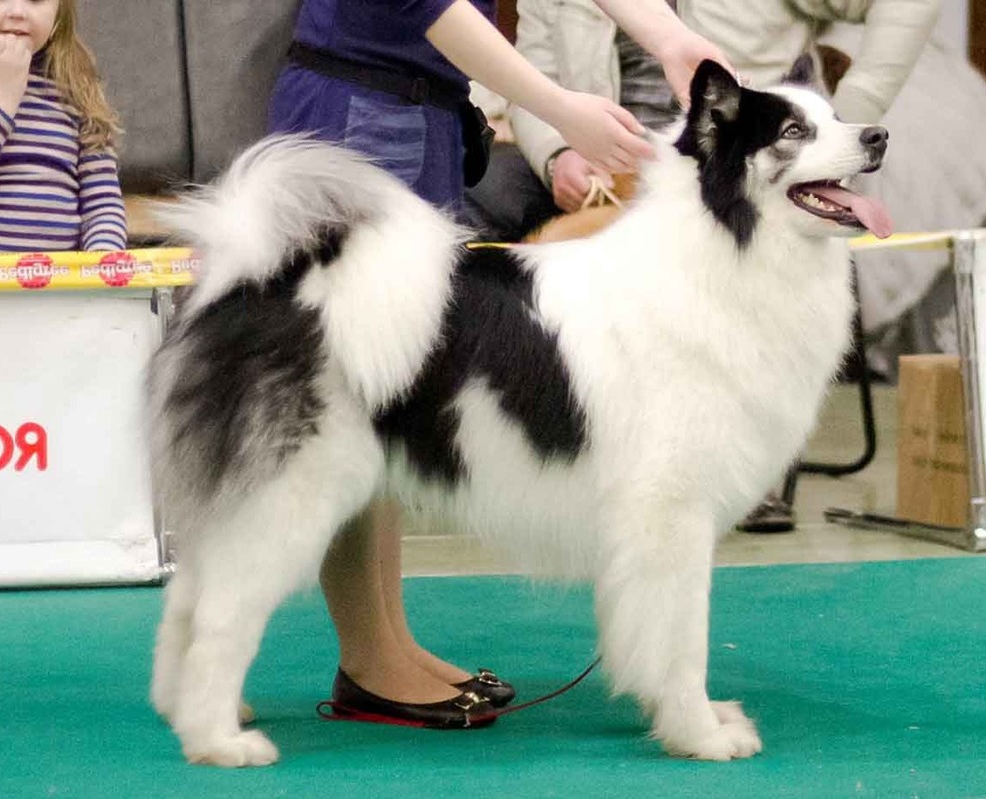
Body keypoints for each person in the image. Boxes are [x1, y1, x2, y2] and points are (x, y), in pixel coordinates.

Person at [267, 0, 733, 727]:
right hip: (360, 114)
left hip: (419, 116)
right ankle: (368, 658)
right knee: (347, 408)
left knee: (398, 408)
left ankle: (385, 643)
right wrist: (555, 107)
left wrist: (668, 35)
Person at [674, 0, 941, 533]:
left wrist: (836, 121)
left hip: (745, 160)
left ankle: (742, 465)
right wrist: (559, 151)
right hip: (608, 155)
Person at [464, 0, 681, 243]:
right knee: (478, 180)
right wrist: (558, 155)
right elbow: (531, 88)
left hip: (691, 161)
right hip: (590, 156)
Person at [0, 0, 125, 253]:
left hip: (59, 286)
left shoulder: (76, 89)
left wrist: (102, 260)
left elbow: (102, 204)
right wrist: (4, 98)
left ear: (60, 13)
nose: (17, 12)